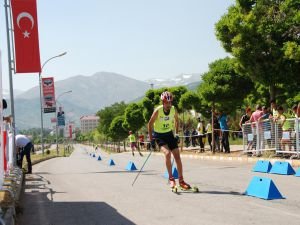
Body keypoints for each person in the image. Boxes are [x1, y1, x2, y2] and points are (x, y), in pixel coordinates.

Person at [148, 91, 191, 190]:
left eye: (170, 102)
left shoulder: (173, 109)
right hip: (159, 135)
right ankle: (171, 179)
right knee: (167, 154)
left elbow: (176, 121)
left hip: (169, 134)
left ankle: (181, 181)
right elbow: (150, 124)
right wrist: (151, 140)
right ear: (163, 102)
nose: (169, 104)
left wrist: (176, 134)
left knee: (177, 156)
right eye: (167, 103)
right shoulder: (158, 111)